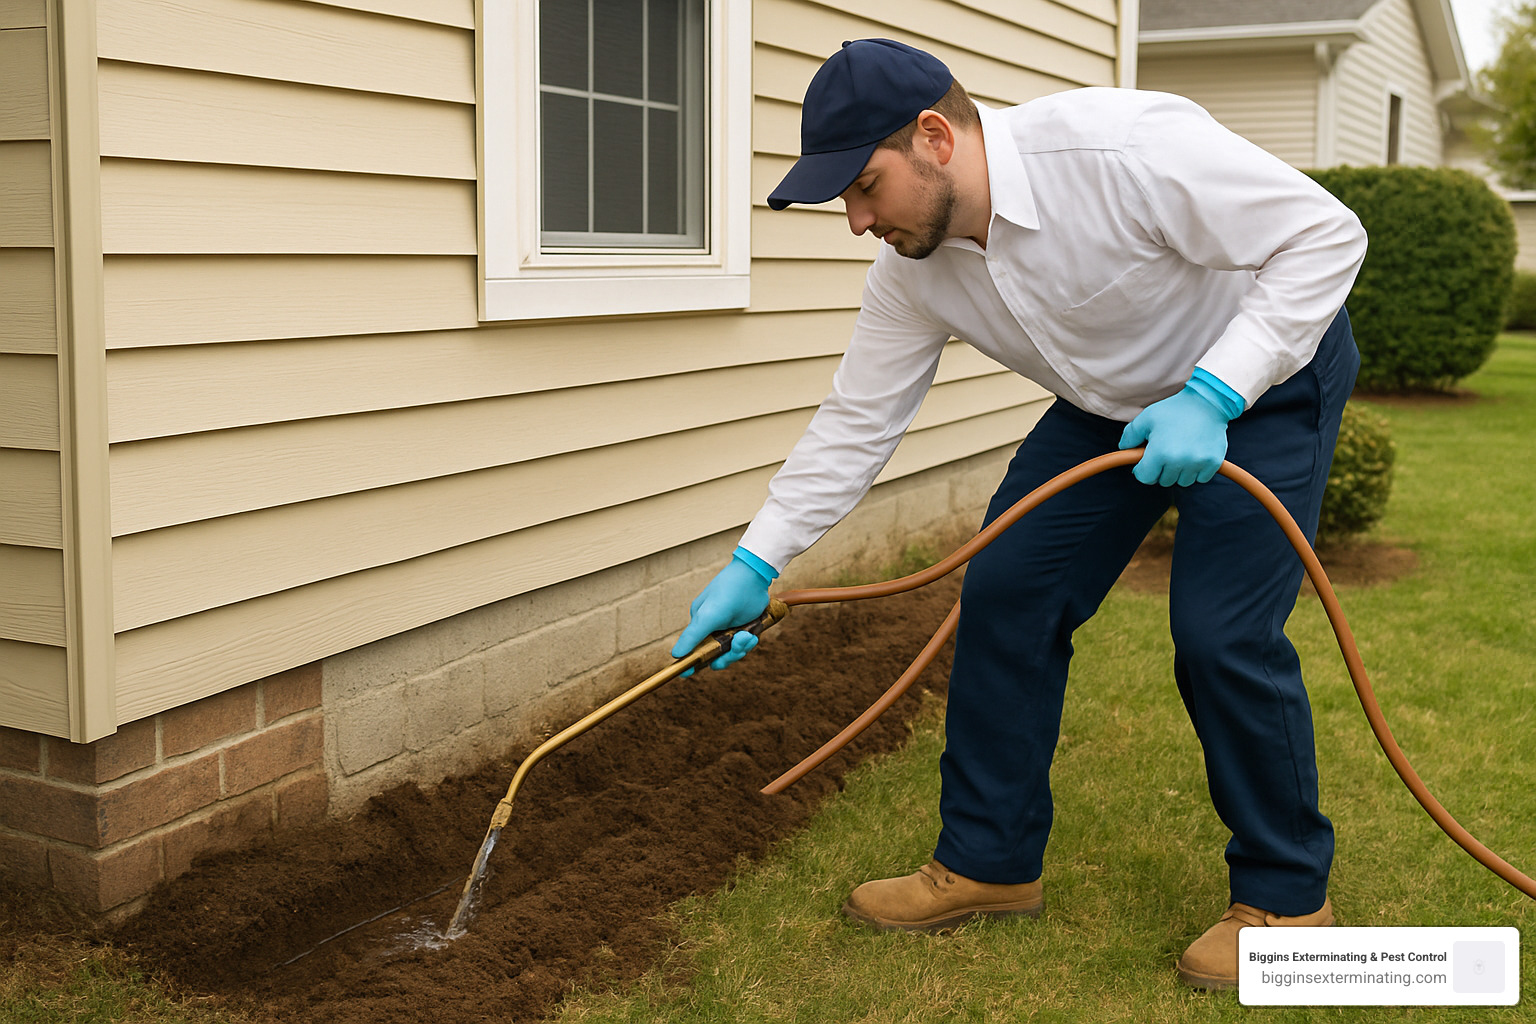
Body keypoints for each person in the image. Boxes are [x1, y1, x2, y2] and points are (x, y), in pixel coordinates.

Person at [671, 38, 1365, 989]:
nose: (858, 222)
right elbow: (858, 421)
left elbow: (1325, 235)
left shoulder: (1119, 149)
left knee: (1220, 635)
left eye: (866, 187)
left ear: (934, 138)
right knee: (1005, 594)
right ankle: (988, 864)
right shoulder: (912, 272)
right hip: (1109, 406)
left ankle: (1287, 901)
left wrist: (1214, 391)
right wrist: (756, 563)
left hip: (1267, 378)